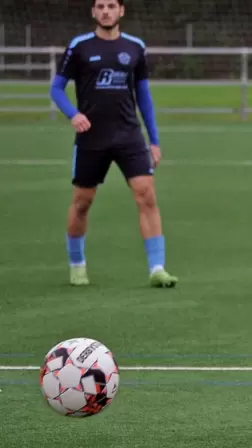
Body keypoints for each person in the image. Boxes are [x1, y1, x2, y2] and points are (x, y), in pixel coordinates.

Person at [49, 0, 177, 287]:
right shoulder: (79, 46)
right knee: (82, 203)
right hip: (91, 138)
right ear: (93, 12)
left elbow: (144, 96)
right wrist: (74, 114)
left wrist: (154, 140)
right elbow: (56, 88)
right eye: (100, 6)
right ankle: (77, 264)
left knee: (147, 196)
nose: (105, 11)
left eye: (111, 6)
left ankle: (157, 268)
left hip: (129, 135)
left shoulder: (135, 47)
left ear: (122, 10)